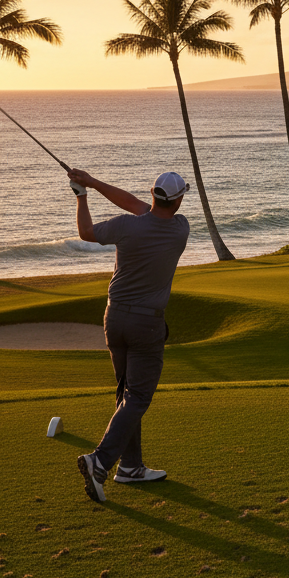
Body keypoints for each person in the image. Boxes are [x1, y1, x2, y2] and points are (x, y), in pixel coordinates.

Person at [67, 168, 191, 503]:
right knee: (137, 397)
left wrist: (83, 193)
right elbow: (138, 206)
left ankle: (131, 467)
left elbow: (87, 232)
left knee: (126, 394)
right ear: (178, 200)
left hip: (114, 318)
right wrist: (90, 182)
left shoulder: (126, 226)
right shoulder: (180, 229)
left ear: (153, 195)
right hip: (146, 325)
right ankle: (102, 461)